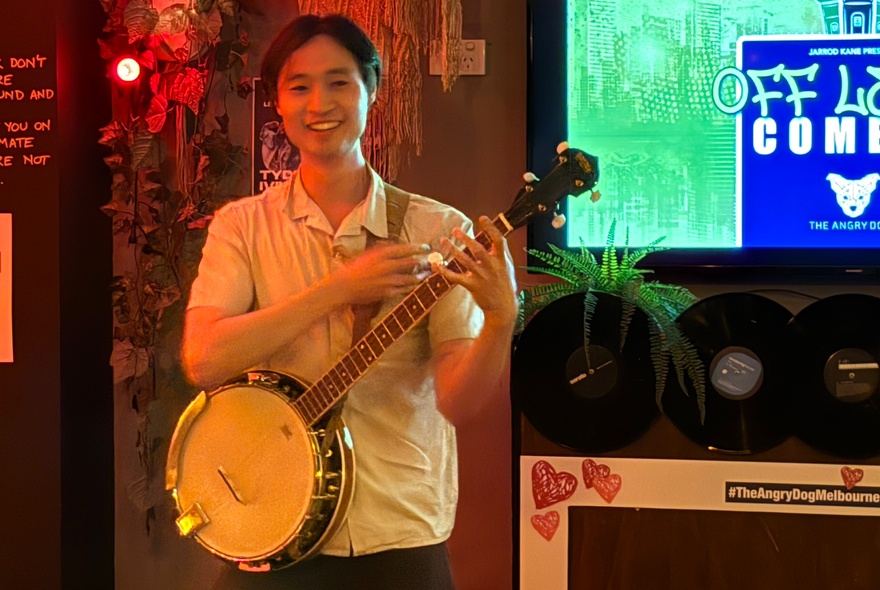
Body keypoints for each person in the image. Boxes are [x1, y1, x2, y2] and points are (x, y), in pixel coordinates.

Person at [180, 13, 517, 590]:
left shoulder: (440, 230)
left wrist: (501, 320)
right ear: (277, 104)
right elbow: (204, 358)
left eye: (339, 82)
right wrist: (338, 290)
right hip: (269, 528)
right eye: (299, 86)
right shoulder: (242, 227)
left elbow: (459, 403)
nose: (320, 103)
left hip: (400, 536)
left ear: (372, 93)